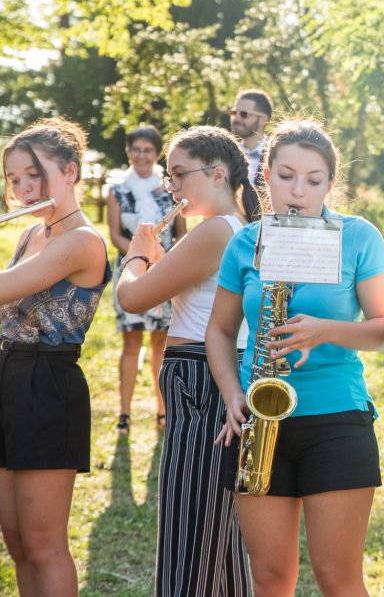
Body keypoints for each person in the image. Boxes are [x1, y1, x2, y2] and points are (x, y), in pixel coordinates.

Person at [207, 120, 384, 596]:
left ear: (331, 184)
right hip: (259, 422)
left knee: (338, 578)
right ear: (264, 177)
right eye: (287, 176)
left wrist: (324, 330)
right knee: (270, 580)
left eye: (314, 180)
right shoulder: (245, 242)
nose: (299, 190)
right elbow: (220, 330)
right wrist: (232, 395)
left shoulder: (358, 236)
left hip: (336, 417)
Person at [116, 126, 259, 596]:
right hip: (211, 373)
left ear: (217, 173)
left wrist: (136, 256)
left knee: (189, 532)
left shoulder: (217, 230)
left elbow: (135, 297)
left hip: (199, 375)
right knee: (219, 538)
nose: (169, 187)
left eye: (178, 175)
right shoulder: (234, 227)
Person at [0, 118, 111, 596]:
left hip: (47, 385)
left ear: (70, 172)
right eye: (13, 179)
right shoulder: (31, 236)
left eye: (33, 175)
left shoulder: (82, 241)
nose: (23, 189)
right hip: (9, 376)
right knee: (18, 543)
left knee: (44, 544)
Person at [107, 125, 186, 434]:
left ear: (157, 154)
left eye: (148, 150)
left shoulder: (170, 190)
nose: (141, 155)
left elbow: (181, 233)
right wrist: (140, 255)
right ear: (128, 151)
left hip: (165, 269)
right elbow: (114, 233)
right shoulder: (117, 189)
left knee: (161, 343)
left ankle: (163, 410)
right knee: (130, 342)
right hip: (129, 266)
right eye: (136, 149)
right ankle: (124, 412)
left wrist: (163, 260)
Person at [229, 89, 273, 186]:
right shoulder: (227, 155)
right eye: (234, 113)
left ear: (263, 119)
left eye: (244, 114)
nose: (236, 118)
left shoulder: (275, 155)